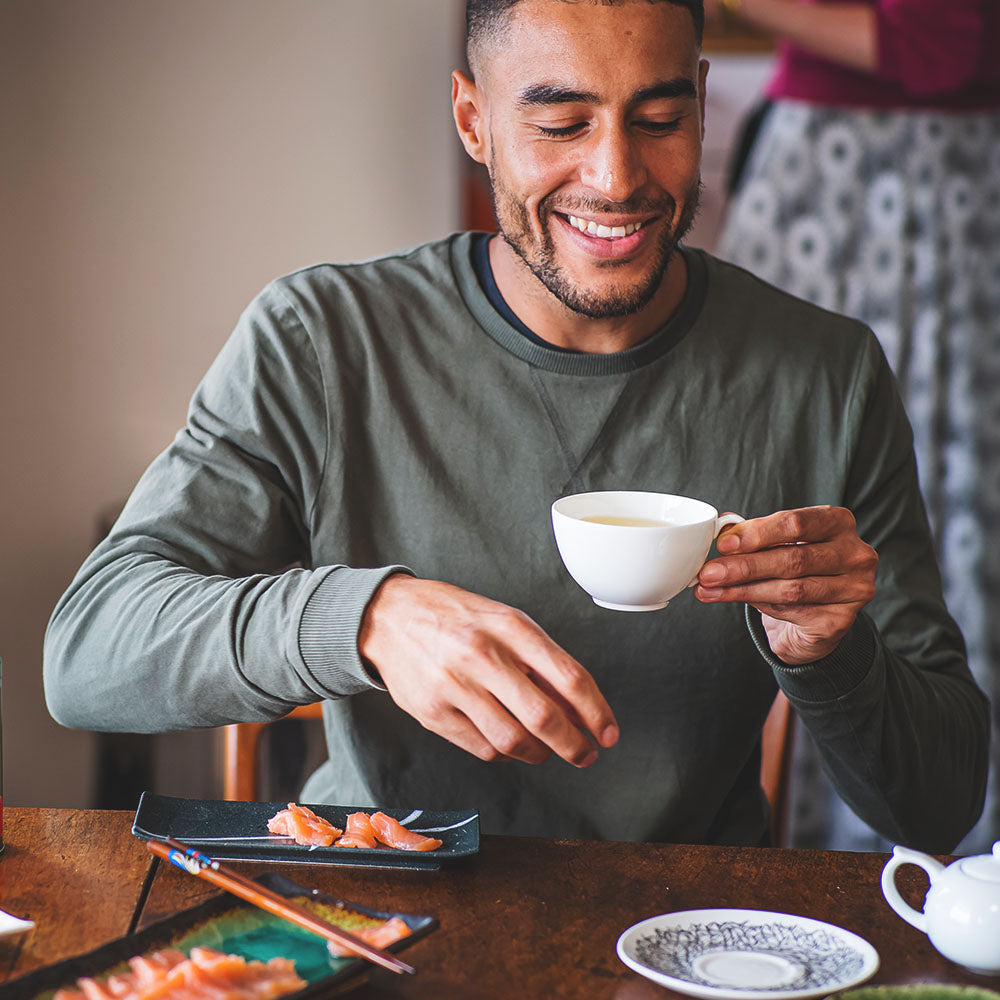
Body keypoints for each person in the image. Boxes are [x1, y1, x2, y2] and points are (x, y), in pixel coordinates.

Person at [43, 0, 988, 851]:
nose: (616, 177)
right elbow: (86, 654)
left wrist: (833, 655)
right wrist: (366, 620)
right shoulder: (325, 339)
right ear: (473, 120)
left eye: (660, 120)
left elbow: (943, 807)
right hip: (381, 902)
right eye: (561, 124)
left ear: (702, 106)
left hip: (693, 932)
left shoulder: (828, 374)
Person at [706, 0, 1000, 852]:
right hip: (832, 173)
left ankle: (901, 855)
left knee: (914, 529)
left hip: (904, 180)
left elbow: (944, 45)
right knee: (767, 502)